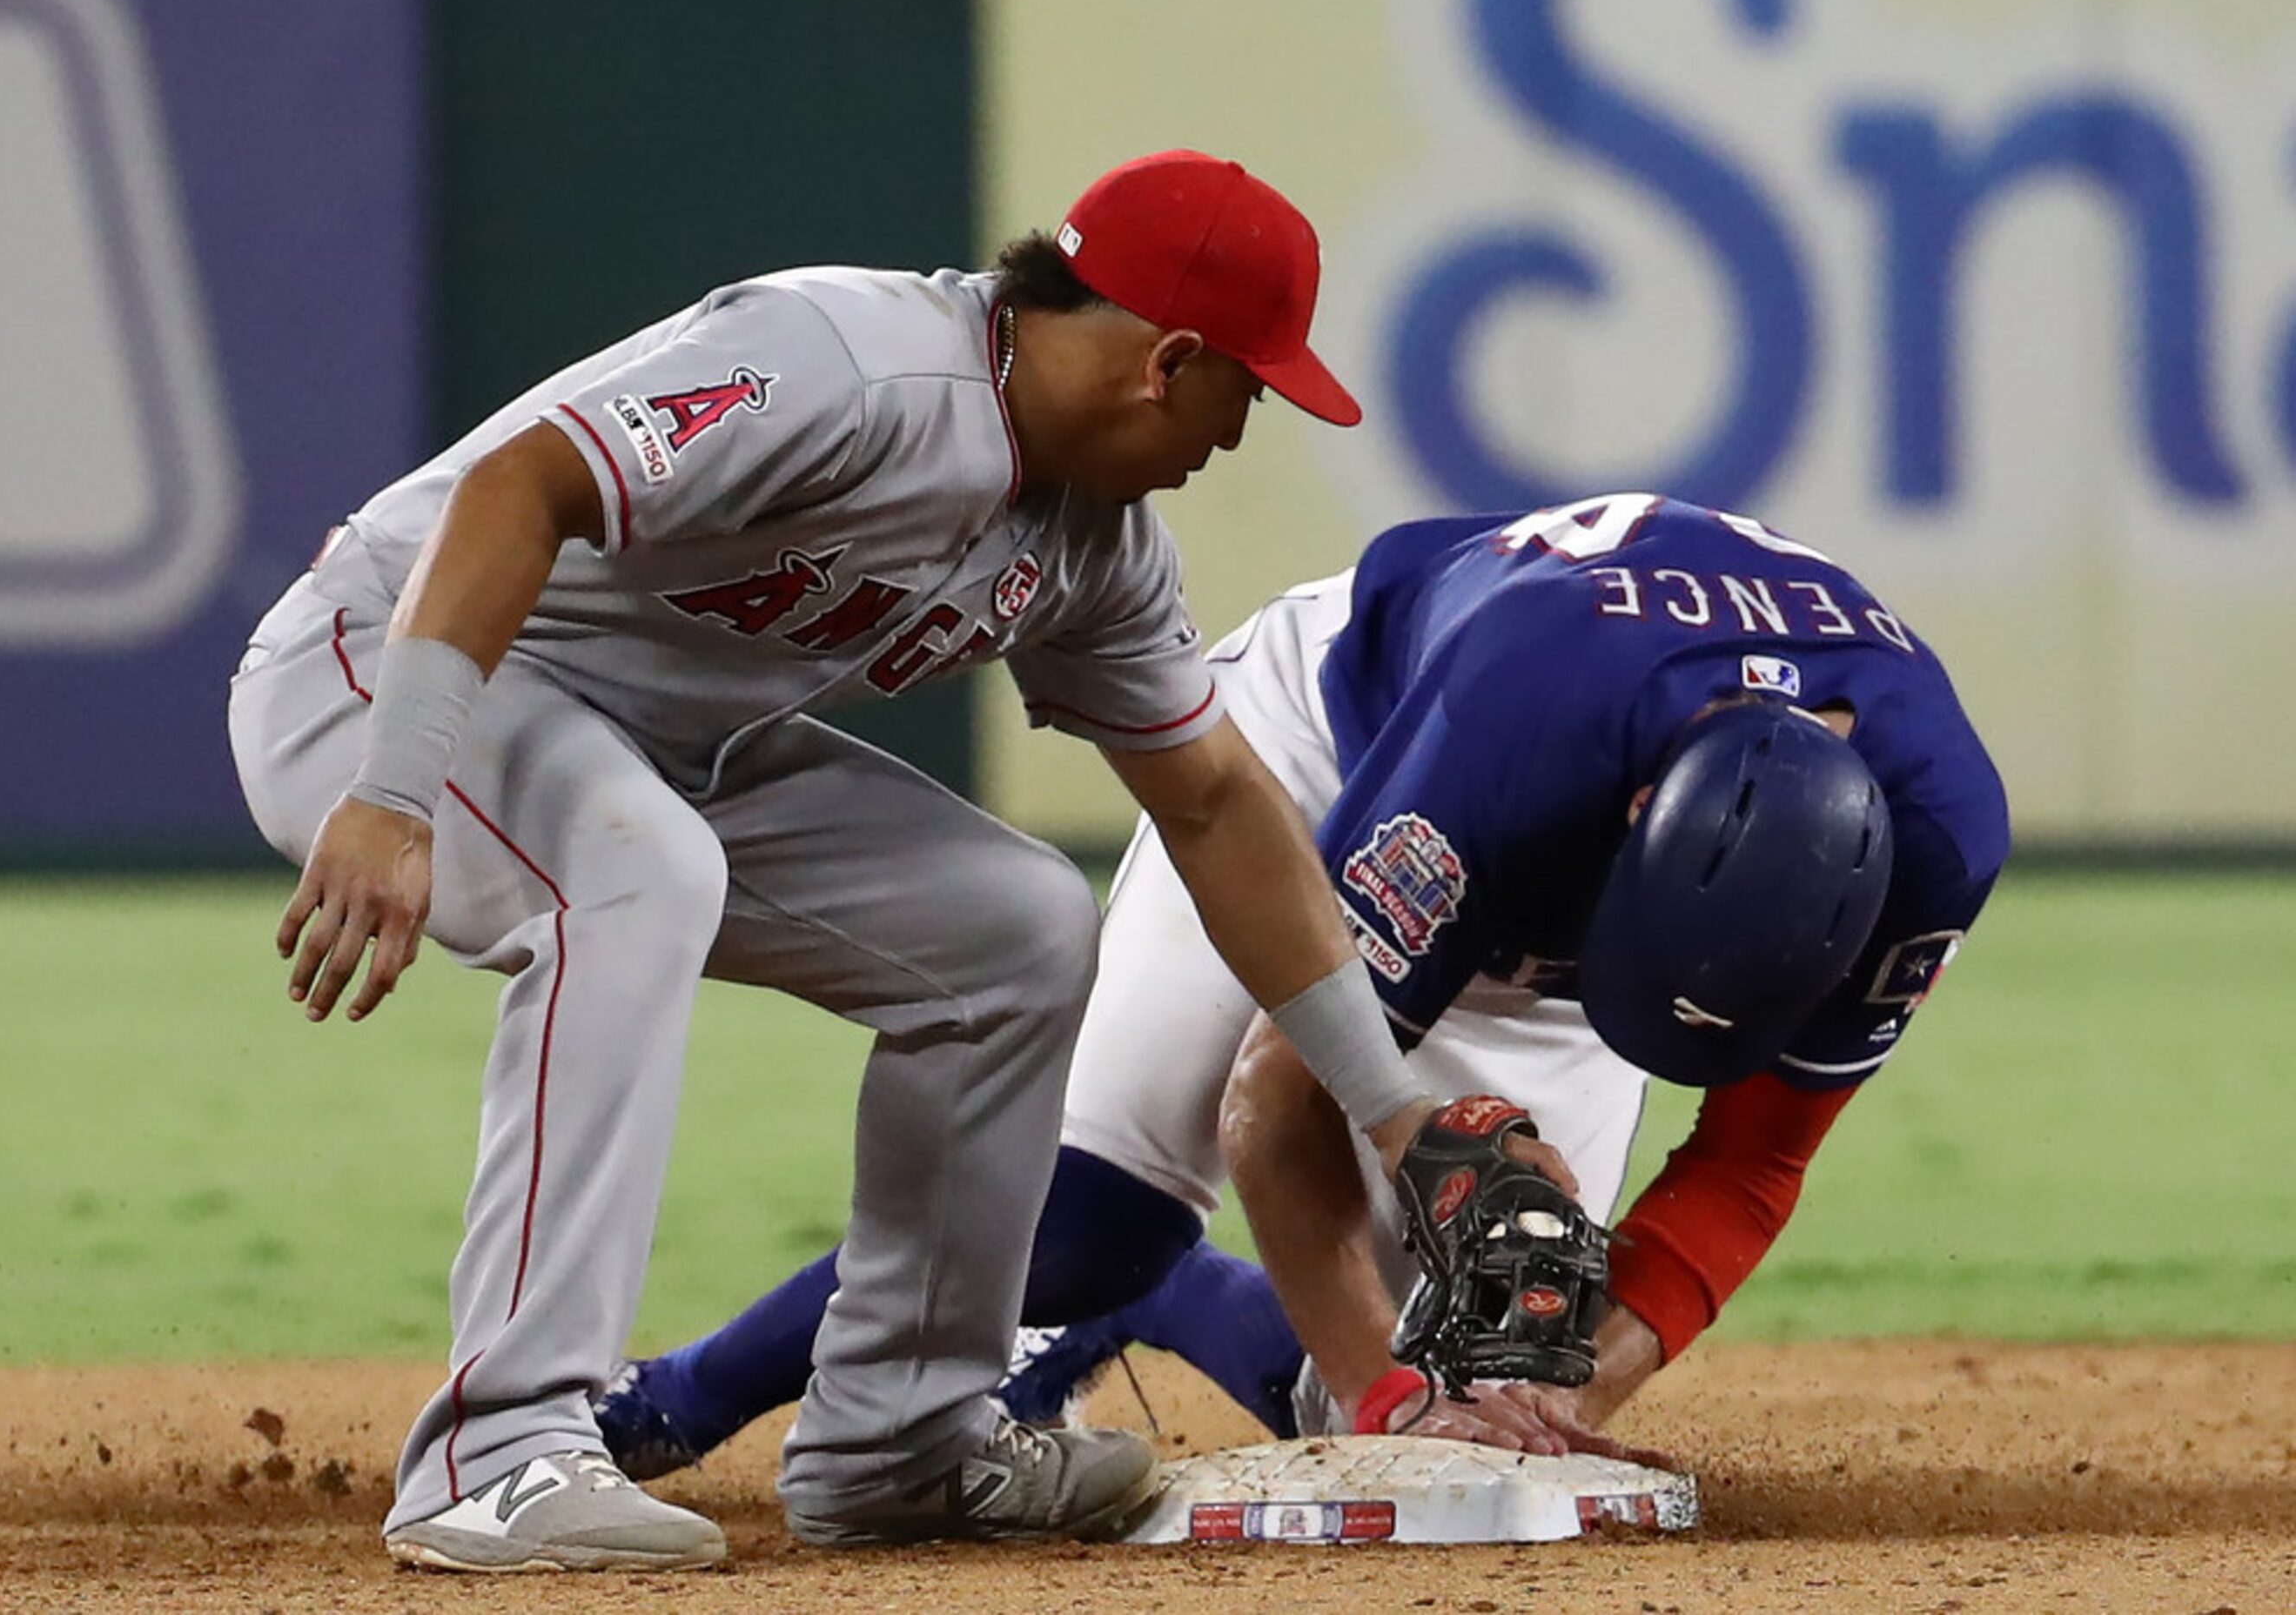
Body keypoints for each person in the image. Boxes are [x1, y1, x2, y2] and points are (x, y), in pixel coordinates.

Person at [227, 150, 1462, 1571]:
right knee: (640, 872)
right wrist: (397, 785)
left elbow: (1218, 806)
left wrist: (1393, 1112)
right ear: (1167, 361)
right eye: (1247, 390)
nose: (1239, 435)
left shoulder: (1097, 546)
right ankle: (493, 1452)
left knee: (1019, 928)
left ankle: (901, 1441)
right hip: (387, 663)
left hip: (651, 748)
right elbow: (521, 485)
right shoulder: (849, 364)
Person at [596, 492, 2011, 1475]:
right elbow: (1275, 1099)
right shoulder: (1516, 730)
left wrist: (1551, 1401)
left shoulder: (1938, 839)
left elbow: (1752, 1169)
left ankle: (1182, 1311)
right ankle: (670, 1402)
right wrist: (1395, 1408)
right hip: (1335, 752)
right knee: (1099, 1216)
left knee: (1500, 1340)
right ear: (1640, 812)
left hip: (1581, 836)